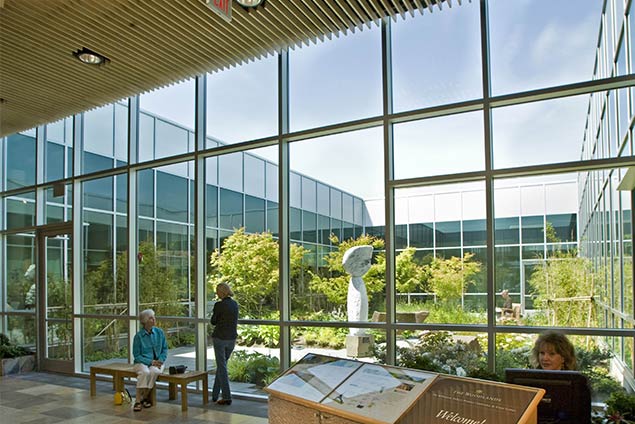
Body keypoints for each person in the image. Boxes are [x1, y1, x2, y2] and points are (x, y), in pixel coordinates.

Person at [132, 309, 168, 412]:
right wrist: (151, 362)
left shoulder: (159, 332)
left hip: (157, 362)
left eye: (154, 317)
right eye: (151, 318)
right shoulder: (138, 336)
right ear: (145, 321)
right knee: (144, 372)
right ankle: (138, 400)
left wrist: (160, 360)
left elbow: (165, 349)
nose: (154, 319)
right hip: (141, 362)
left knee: (154, 372)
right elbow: (137, 356)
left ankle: (144, 397)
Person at [210, 282, 239, 405]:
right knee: (221, 367)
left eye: (217, 291)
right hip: (231, 339)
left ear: (221, 292)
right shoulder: (235, 304)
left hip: (220, 339)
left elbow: (213, 321)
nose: (216, 293)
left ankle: (227, 397)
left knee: (222, 367)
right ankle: (215, 394)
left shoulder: (219, 305)